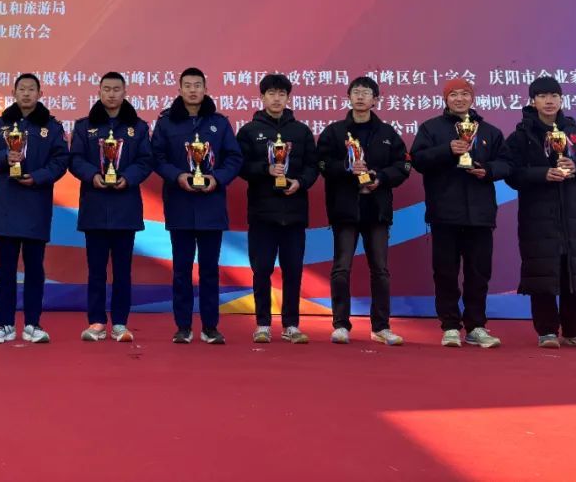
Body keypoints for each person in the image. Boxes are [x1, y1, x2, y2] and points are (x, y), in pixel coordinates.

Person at [504, 76, 576, 349]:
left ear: (561, 100)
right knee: (543, 273)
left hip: (575, 216)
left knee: (574, 271)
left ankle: (575, 331)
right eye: (542, 96)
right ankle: (546, 331)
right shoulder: (521, 137)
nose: (549, 101)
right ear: (533, 101)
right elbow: (511, 174)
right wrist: (542, 174)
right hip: (538, 216)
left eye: (554, 96)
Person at [410, 77, 510, 348]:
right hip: (444, 213)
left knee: (479, 273)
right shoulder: (431, 128)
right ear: (446, 99)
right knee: (445, 272)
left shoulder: (489, 131)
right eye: (453, 94)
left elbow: (507, 164)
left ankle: (476, 326)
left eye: (465, 94)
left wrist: (488, 170)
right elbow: (417, 160)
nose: (459, 99)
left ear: (472, 98)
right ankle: (450, 326)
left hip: (480, 215)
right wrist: (447, 150)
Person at [151, 67, 242, 345]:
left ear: (205, 89)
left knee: (210, 270)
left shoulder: (219, 123)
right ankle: (183, 326)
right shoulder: (167, 122)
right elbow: (157, 157)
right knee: (181, 270)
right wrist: (177, 176)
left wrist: (218, 178)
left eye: (197, 85)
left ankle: (210, 326)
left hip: (211, 206)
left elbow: (234, 158)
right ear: (179, 89)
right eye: (188, 85)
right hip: (180, 203)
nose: (193, 90)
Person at [317, 76, 410, 346]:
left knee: (380, 270)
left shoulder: (387, 133)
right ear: (348, 97)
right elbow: (322, 163)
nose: (360, 97)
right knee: (341, 268)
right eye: (356, 92)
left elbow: (403, 166)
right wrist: (347, 169)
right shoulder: (334, 132)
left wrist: (381, 177)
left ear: (375, 100)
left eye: (366, 93)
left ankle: (381, 326)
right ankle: (340, 325)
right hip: (345, 209)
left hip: (377, 210)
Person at [0, 73, 68, 344]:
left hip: (35, 204)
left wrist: (38, 177)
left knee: (34, 269)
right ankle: (4, 324)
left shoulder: (51, 128)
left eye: (31, 89)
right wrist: (5, 157)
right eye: (22, 89)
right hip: (6, 205)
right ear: (14, 93)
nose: (26, 93)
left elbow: (61, 161)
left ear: (40, 94)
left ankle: (32, 324)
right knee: (6, 269)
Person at [69, 71, 152, 342]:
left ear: (125, 92)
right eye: (107, 89)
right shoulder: (84, 127)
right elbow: (75, 159)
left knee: (122, 271)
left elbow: (145, 161)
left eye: (117, 89)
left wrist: (127, 178)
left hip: (125, 208)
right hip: (94, 207)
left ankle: (119, 323)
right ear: (99, 92)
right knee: (96, 270)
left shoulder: (138, 128)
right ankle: (96, 321)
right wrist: (93, 175)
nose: (112, 94)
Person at [236, 73, 318, 345]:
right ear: (262, 97)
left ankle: (291, 325)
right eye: (271, 93)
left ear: (288, 97)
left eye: (281, 94)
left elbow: (313, 166)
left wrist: (300, 182)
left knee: (293, 271)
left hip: (294, 212)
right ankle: (262, 324)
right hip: (262, 213)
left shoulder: (301, 131)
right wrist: (266, 169)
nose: (276, 98)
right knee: (261, 270)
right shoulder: (249, 131)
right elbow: (240, 166)